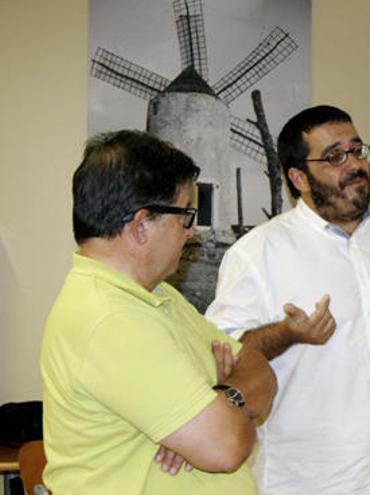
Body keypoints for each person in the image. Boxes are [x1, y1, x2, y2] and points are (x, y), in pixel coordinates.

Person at [205, 105, 370, 494]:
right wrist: (287, 333)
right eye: (336, 156)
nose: (355, 164)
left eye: (358, 151)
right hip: (308, 482)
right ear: (299, 178)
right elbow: (223, 356)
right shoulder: (257, 252)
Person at [40, 130, 277, 494]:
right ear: (140, 226)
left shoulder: (155, 294)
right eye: (186, 216)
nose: (192, 233)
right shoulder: (110, 318)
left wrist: (224, 398)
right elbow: (227, 446)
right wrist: (227, 418)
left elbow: (260, 370)